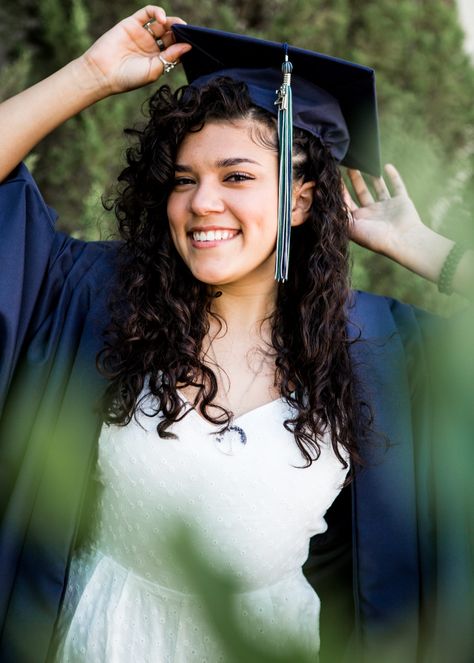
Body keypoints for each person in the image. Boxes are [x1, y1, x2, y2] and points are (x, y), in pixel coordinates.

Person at [0, 6, 472, 663]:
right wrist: (88, 76)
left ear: (302, 198)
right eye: (184, 180)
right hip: (98, 636)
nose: (202, 202)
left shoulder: (379, 348)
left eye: (238, 176)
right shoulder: (101, 299)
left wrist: (426, 248)